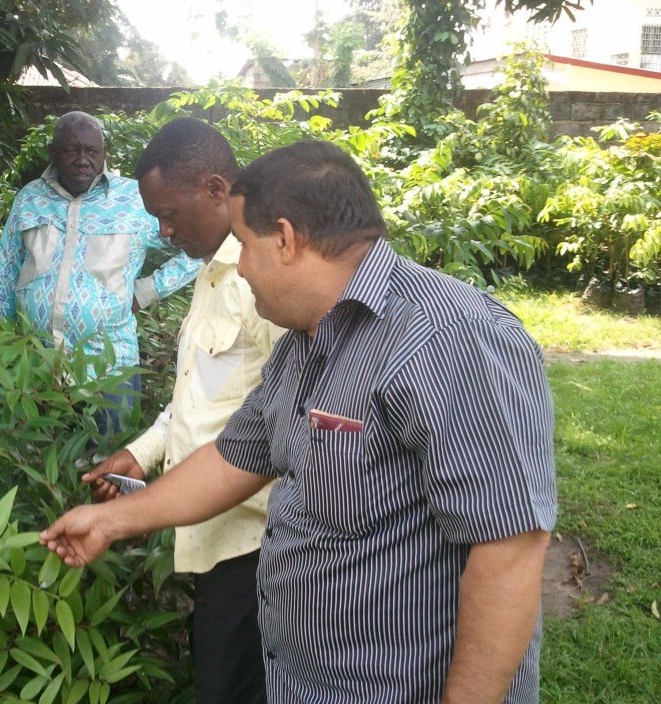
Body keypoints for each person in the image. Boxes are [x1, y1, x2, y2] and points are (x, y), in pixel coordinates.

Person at [41, 140, 558, 703]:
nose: (237, 263)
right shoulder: (308, 339)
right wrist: (114, 522)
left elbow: (509, 547)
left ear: (285, 239)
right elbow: (237, 454)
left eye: (243, 244)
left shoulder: (446, 339)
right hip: (307, 679)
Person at [82, 118, 285, 704]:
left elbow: (290, 415)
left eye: (170, 214)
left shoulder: (260, 281)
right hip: (212, 529)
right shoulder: (210, 273)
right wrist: (143, 452)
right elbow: (200, 395)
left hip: (255, 541)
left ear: (217, 190)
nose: (164, 231)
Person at [0, 111, 200, 428]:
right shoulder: (30, 198)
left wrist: (145, 291)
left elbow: (196, 246)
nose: (82, 160)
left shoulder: (134, 200)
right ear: (53, 153)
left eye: (91, 151)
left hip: (109, 372)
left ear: (104, 154)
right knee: (38, 461)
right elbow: (5, 275)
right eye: (72, 150)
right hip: (33, 367)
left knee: (108, 466)